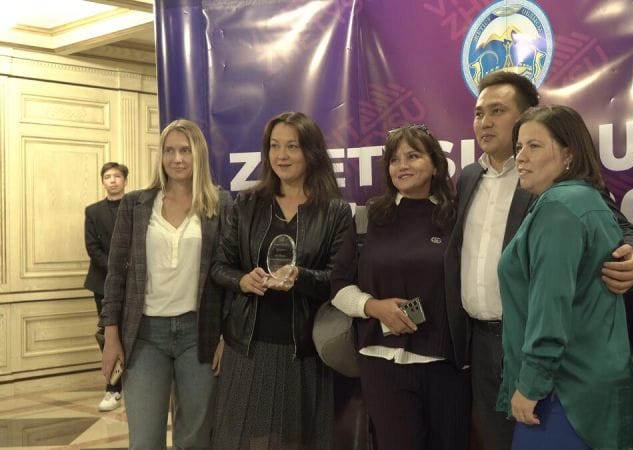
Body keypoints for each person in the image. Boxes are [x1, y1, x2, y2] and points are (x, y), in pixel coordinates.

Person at [444, 71, 633, 449]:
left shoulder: (559, 195)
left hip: (550, 358)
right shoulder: (468, 177)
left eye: (497, 111)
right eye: (478, 113)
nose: (485, 121)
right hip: (484, 344)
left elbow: (618, 229)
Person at [496, 104, 633, 449]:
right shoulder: (584, 199)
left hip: (562, 394)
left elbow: (550, 307)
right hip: (590, 388)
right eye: (518, 147)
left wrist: (531, 384)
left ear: (569, 154)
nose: (521, 157)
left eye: (534, 146)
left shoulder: (557, 208)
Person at [210, 111, 351, 450]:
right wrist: (243, 280)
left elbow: (338, 281)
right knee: (247, 440)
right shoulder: (247, 203)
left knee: (297, 440)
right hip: (248, 346)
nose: (281, 156)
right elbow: (219, 266)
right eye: (274, 146)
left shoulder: (335, 211)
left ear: (311, 152)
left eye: (292, 146)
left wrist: (301, 277)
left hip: (302, 350)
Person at [330, 124, 471, 450]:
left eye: (413, 156)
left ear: (435, 165)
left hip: (446, 366)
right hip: (382, 363)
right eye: (395, 160)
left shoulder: (456, 217)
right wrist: (373, 307)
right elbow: (338, 285)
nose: (402, 166)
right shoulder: (369, 217)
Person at [99, 119, 230, 450]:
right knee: (144, 440)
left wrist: (227, 335)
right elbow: (115, 274)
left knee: (195, 440)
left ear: (199, 154)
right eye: (169, 150)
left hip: (199, 335)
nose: (177, 159)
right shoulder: (136, 204)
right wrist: (111, 336)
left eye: (185, 150)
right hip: (144, 335)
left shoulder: (220, 204)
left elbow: (229, 274)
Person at [84, 161, 128, 411]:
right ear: (103, 181)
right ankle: (112, 388)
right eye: (108, 176)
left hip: (133, 282)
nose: (112, 180)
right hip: (102, 282)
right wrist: (115, 269)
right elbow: (93, 248)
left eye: (117, 176)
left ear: (124, 180)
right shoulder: (93, 211)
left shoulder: (135, 206)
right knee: (108, 336)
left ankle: (135, 384)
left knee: (132, 334)